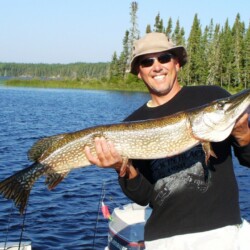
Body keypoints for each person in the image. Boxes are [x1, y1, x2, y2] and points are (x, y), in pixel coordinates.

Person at [84, 32, 250, 250]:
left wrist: (242, 134)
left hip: (222, 233)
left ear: (177, 63)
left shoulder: (212, 97)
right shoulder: (133, 123)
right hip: (164, 239)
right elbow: (143, 196)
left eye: (164, 58)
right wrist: (120, 167)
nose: (157, 66)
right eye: (147, 62)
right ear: (139, 73)